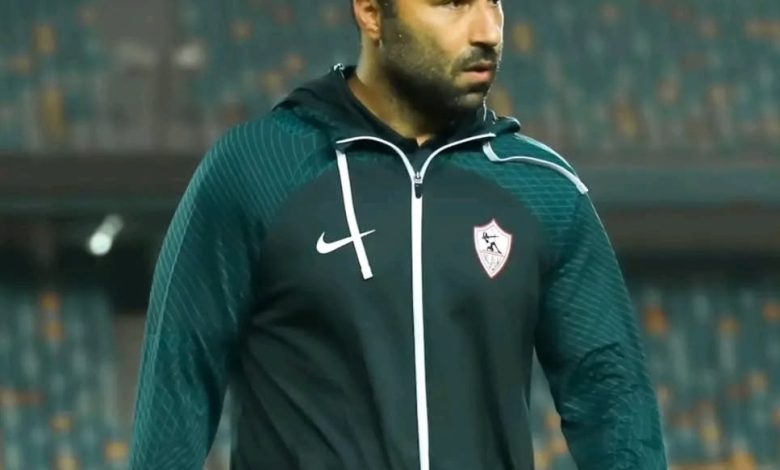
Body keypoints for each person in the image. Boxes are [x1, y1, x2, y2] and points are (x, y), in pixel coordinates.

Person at [129, 0, 668, 468]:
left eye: (495, 1)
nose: (488, 30)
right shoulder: (257, 169)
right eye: (452, 3)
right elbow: (179, 383)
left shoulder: (544, 188)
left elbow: (612, 395)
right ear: (371, 12)